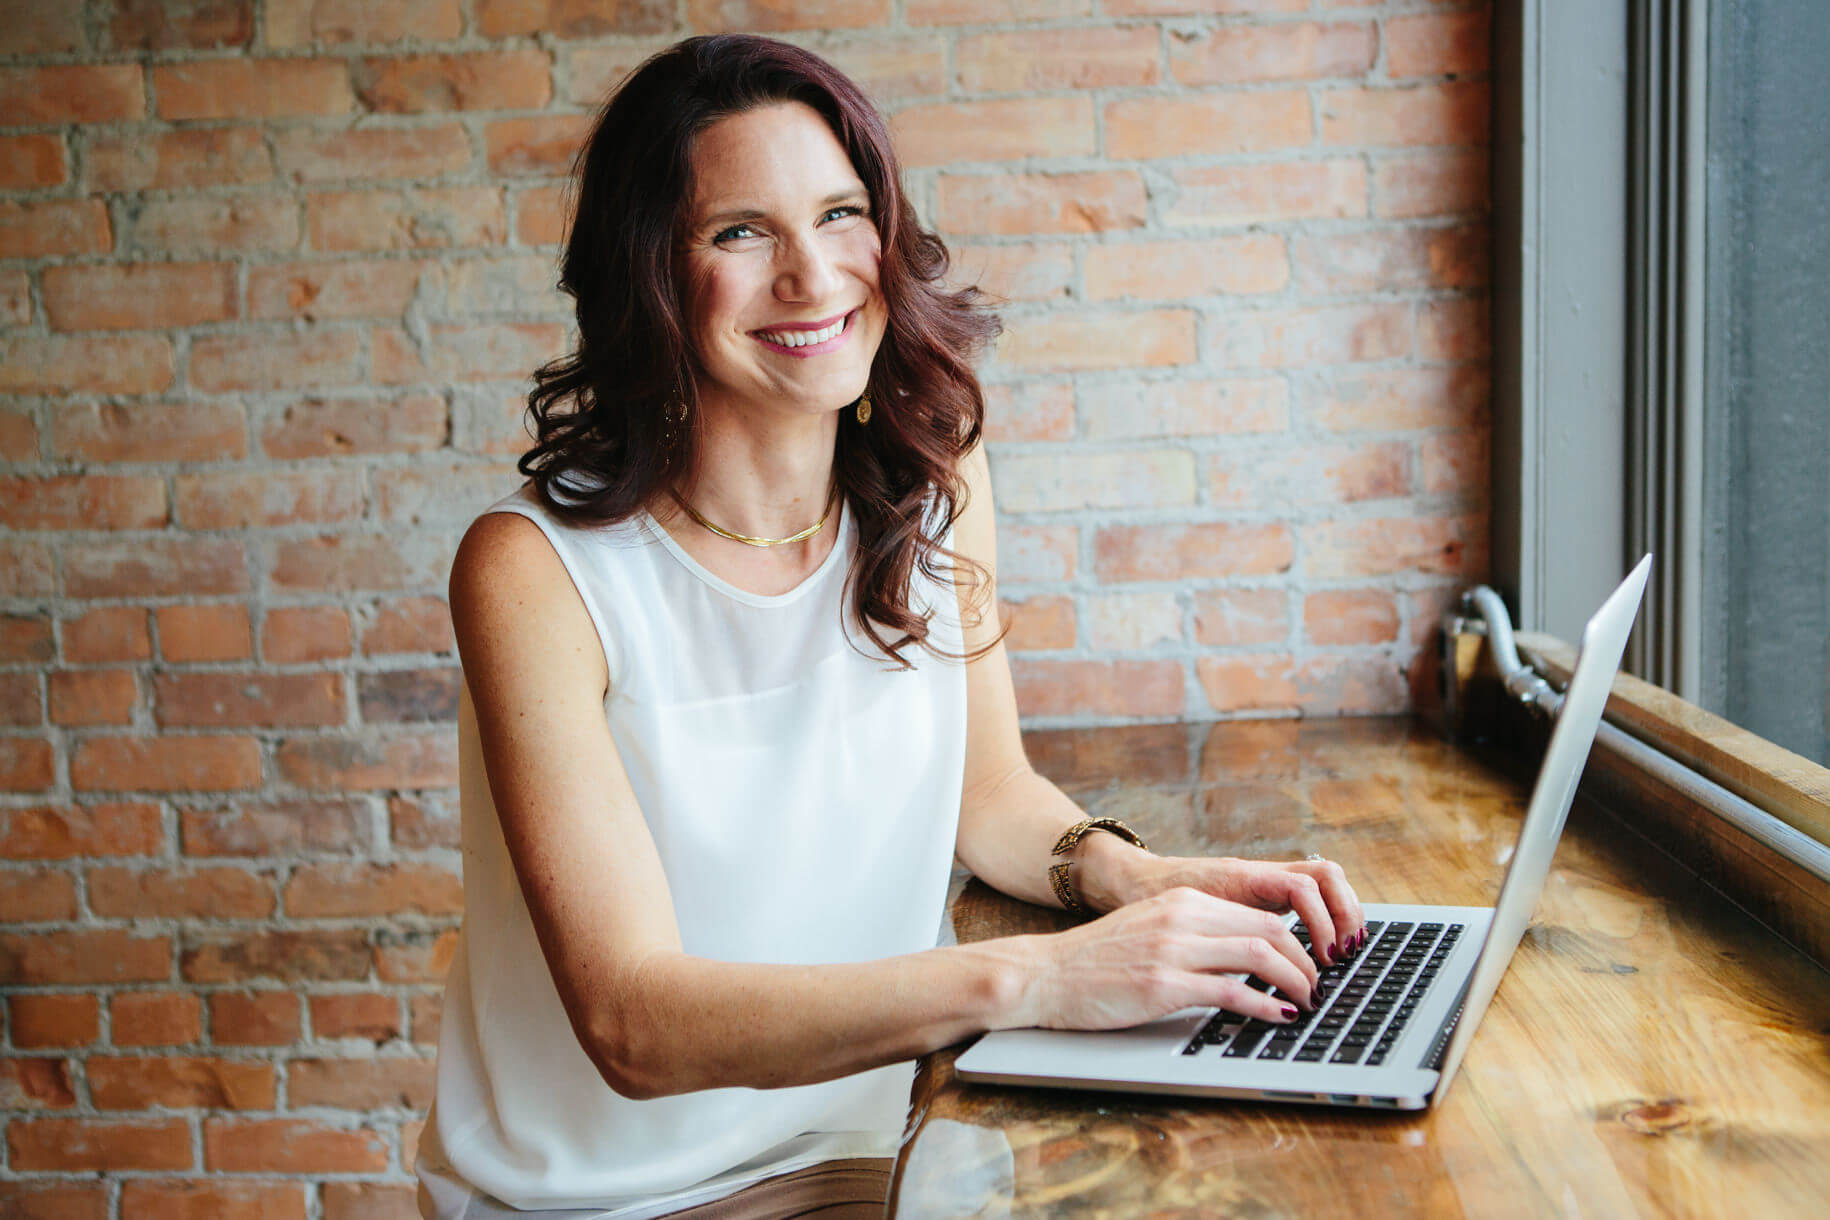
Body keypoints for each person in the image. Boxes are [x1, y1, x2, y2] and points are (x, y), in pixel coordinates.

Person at [415, 34, 1365, 1220]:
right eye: (740, 232)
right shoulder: (535, 569)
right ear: (649, 273)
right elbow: (632, 1021)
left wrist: (1138, 877)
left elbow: (989, 791)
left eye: (841, 213)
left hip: (894, 1151)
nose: (813, 277)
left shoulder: (935, 474)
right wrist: (1044, 977)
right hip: (624, 1197)